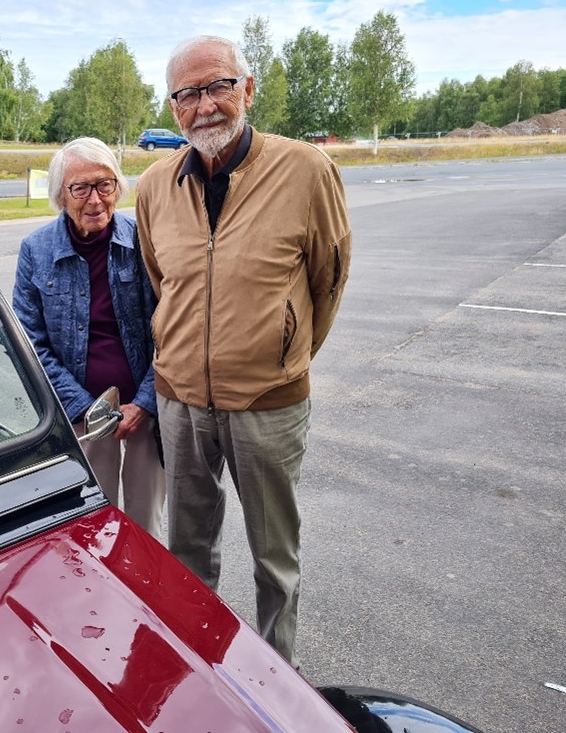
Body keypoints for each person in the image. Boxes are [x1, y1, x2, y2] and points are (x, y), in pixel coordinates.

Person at [135, 35, 352, 666]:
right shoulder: (152, 188)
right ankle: (196, 671)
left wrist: (284, 355)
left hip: (267, 404)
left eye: (218, 86)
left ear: (247, 90)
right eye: (187, 93)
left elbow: (328, 280)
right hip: (180, 404)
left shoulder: (306, 170)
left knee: (273, 560)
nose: (204, 105)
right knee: (187, 554)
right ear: (173, 106)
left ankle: (276, 679)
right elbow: (162, 281)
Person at [13, 137, 165, 538]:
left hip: (144, 410)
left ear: (118, 187)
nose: (95, 199)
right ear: (61, 195)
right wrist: (86, 408)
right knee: (94, 522)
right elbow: (30, 343)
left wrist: (145, 403)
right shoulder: (36, 250)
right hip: (82, 414)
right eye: (80, 188)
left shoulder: (141, 241)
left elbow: (169, 329)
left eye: (105, 185)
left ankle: (143, 593)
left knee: (144, 522)